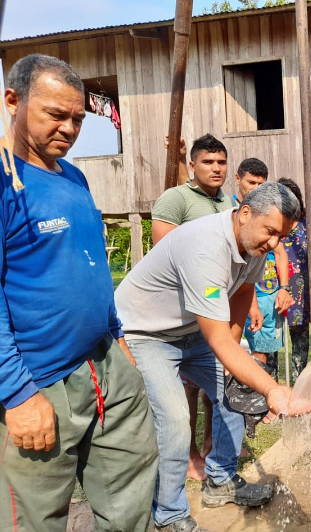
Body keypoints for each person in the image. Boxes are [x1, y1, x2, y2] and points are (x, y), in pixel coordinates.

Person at [0, 54, 158, 532]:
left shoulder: (72, 177)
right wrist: (17, 394)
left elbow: (89, 263)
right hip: (40, 381)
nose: (69, 129)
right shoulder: (6, 184)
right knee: (35, 518)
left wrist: (116, 334)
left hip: (106, 363)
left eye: (78, 119)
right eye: (55, 114)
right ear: (13, 101)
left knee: (131, 498)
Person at [115, 183, 303, 531]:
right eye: (271, 231)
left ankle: (220, 481)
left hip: (191, 331)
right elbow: (218, 338)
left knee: (237, 393)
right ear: (246, 213)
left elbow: (244, 291)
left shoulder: (254, 244)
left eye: (283, 236)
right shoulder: (206, 246)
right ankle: (169, 514)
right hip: (146, 334)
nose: (275, 243)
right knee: (173, 419)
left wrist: (234, 358)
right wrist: (271, 388)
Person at [153, 133, 237, 481]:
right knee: (186, 390)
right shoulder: (176, 199)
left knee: (220, 387)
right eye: (208, 162)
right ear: (192, 166)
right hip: (181, 315)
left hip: (219, 309)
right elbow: (164, 252)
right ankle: (187, 455)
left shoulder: (229, 204)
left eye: (221, 162)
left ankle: (210, 447)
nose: (216, 168)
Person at [233, 158, 293, 380]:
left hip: (267, 292)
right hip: (236, 292)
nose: (256, 189)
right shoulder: (228, 209)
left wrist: (284, 287)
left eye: (262, 184)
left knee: (263, 349)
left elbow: (280, 252)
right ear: (238, 179)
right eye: (251, 182)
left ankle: (257, 401)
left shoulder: (270, 211)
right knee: (233, 346)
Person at [278, 177, 311, 381]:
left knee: (300, 340)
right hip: (274, 287)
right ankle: (269, 384)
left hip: (301, 291)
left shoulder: (308, 226)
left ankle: (299, 383)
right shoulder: (270, 224)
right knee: (272, 339)